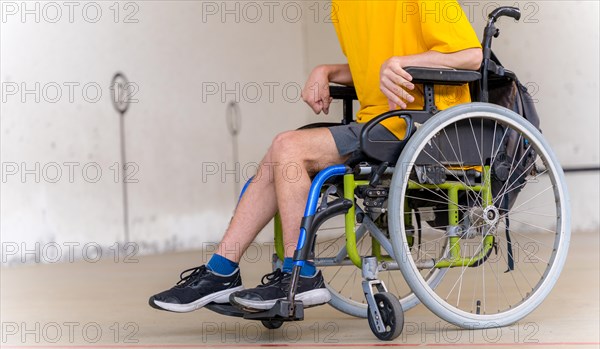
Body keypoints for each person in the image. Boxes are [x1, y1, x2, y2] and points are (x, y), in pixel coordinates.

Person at [149, 0, 482, 313]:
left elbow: (471, 55)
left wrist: (405, 63)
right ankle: (221, 271)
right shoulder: (343, 7)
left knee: (288, 146)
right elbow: (370, 69)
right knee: (277, 158)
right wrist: (327, 71)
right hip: (379, 125)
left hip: (425, 124)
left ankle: (300, 274)